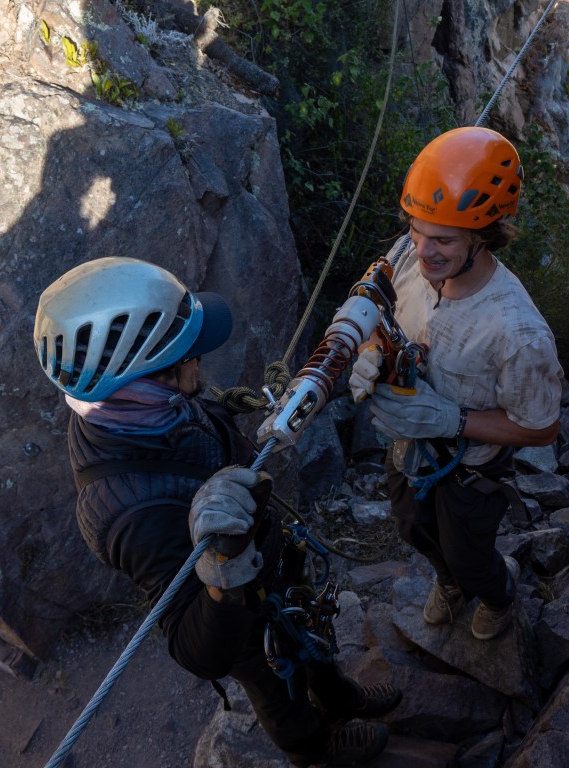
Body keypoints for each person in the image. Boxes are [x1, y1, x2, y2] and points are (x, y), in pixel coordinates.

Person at [33, 257, 400, 766]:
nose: (200, 364)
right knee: (276, 683)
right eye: (190, 356)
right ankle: (314, 748)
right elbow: (196, 651)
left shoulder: (132, 408)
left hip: (270, 563)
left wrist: (228, 407)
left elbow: (190, 422)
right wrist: (223, 569)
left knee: (311, 639)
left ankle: (338, 696)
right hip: (240, 619)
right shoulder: (129, 513)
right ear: (151, 375)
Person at [349, 127, 564, 641]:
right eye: (417, 232)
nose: (423, 252)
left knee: (469, 553)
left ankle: (494, 593)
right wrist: (370, 348)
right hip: (409, 441)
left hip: (470, 466)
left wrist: (454, 419)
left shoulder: (517, 331)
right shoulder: (409, 257)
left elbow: (541, 428)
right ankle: (448, 583)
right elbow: (382, 311)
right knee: (412, 526)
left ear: (482, 236)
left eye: (442, 240)